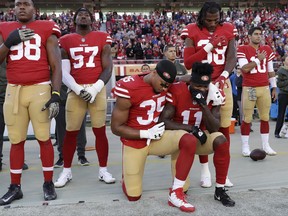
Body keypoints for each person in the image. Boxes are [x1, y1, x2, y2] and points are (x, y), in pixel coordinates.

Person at [0, 0, 62, 205]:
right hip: (14, 90)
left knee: (44, 138)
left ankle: (48, 182)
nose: (22, 7)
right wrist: (9, 42)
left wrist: (55, 93)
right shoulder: (5, 28)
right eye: (18, 4)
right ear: (14, 9)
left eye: (26, 3)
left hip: (40, 88)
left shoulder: (46, 26)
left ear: (35, 8)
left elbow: (56, 64)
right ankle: (15, 187)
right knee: (16, 140)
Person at [54, 7, 115, 188]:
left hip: (96, 89)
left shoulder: (102, 37)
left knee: (100, 131)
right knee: (70, 132)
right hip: (76, 89)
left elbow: (108, 68)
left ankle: (103, 170)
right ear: (74, 19)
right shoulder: (65, 40)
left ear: (91, 20)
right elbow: (63, 70)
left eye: (87, 15)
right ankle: (66, 170)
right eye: (80, 14)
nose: (83, 16)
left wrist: (95, 88)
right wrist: (78, 89)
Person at [160, 62, 235, 208]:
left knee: (221, 140)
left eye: (205, 87)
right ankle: (176, 192)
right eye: (198, 86)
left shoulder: (214, 94)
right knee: (188, 139)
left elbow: (214, 128)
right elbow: (164, 120)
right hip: (177, 137)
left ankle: (220, 190)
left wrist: (204, 105)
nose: (201, 90)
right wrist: (192, 128)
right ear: (190, 82)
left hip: (197, 138)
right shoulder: (178, 90)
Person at [180, 1, 236, 187]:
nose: (212, 24)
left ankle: (223, 173)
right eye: (209, 20)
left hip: (222, 82)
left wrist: (224, 76)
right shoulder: (191, 30)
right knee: (204, 128)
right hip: (200, 85)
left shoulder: (228, 28)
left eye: (215, 20)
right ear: (202, 17)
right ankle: (205, 171)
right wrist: (209, 46)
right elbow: (188, 63)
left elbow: (232, 57)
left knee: (224, 129)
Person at [237, 26, 277, 156]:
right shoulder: (242, 49)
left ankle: (266, 145)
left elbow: (270, 70)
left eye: (260, 34)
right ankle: (245, 146)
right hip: (250, 88)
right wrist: (257, 59)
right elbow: (245, 68)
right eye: (256, 34)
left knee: (265, 117)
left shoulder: (267, 49)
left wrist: (274, 87)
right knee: (247, 118)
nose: (258, 36)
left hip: (264, 87)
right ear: (249, 36)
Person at [0, 61, 29, 172]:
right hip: (8, 96)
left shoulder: (10, 49)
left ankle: (19, 160)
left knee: (17, 131)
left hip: (12, 96)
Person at [54, 83, 89, 168]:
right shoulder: (56, 70)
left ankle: (81, 155)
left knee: (80, 129)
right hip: (61, 100)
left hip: (78, 99)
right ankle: (62, 157)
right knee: (61, 130)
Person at [274, 56, 288, 138]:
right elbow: (279, 84)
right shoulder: (281, 71)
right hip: (283, 94)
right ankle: (277, 132)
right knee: (281, 114)